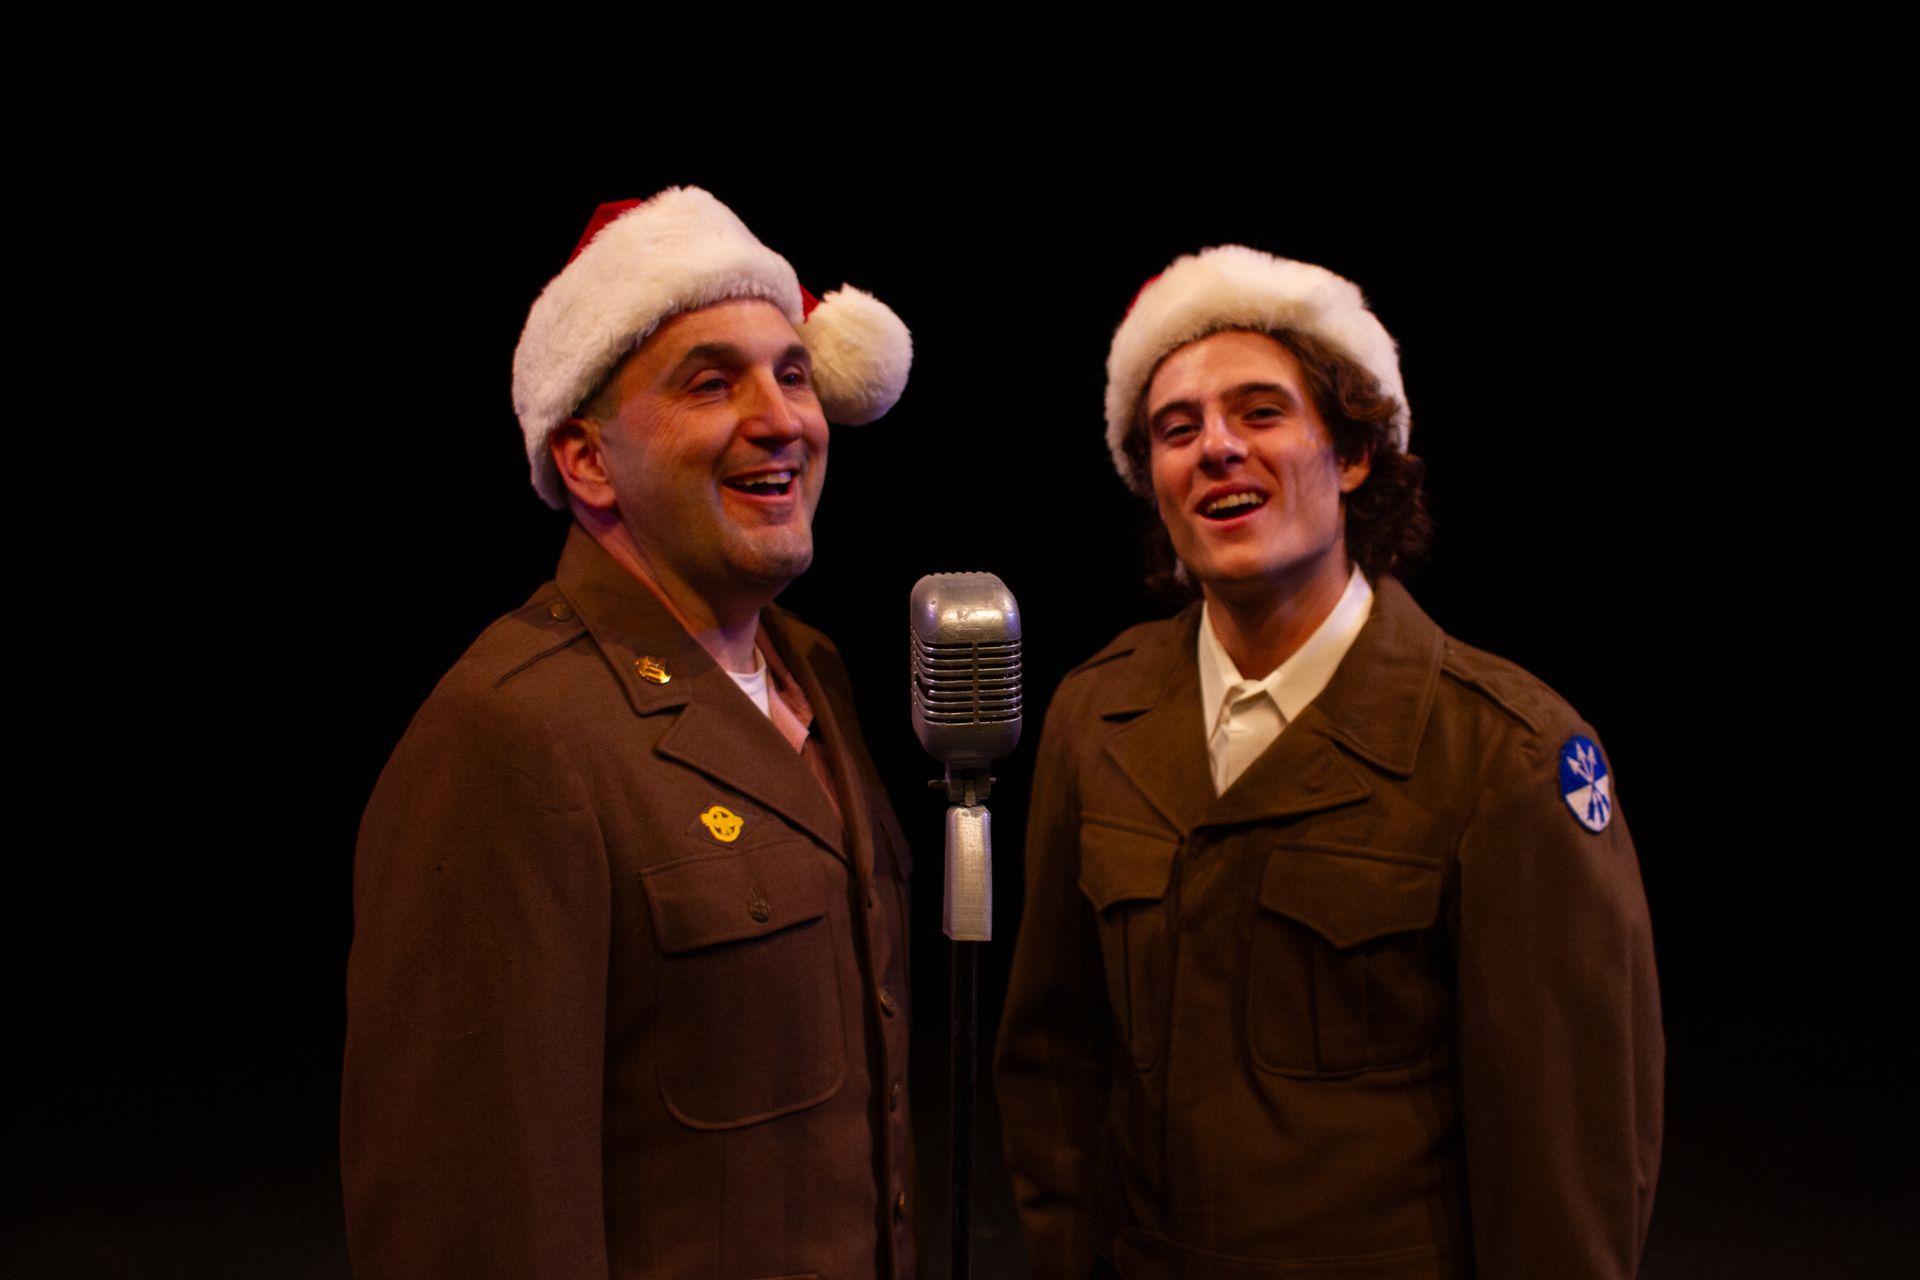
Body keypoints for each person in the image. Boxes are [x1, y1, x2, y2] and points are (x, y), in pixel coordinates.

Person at [995, 245, 1662, 1279]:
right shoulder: (1097, 715)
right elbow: (1053, 1066)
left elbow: (1565, 1164)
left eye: (1261, 412)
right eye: (1177, 428)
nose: (1216, 447)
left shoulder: (1505, 753)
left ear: (1352, 453)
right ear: (1152, 481)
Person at [342, 188, 918, 1278]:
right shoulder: (509, 734)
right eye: (714, 382)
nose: (784, 417)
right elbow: (468, 1222)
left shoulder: (816, 672)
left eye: (794, 373)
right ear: (588, 461)